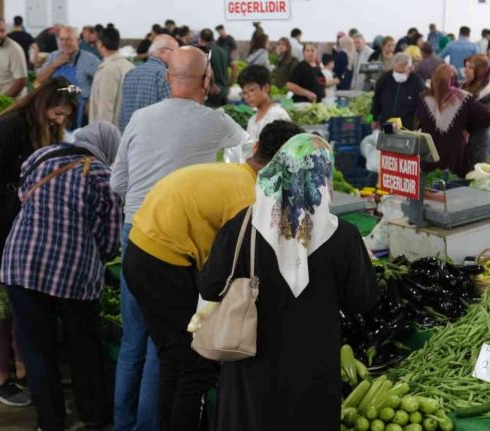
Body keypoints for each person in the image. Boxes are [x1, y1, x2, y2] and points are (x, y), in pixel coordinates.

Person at [123, 120, 303, 431]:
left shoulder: (228, 171)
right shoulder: (248, 197)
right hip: (164, 263)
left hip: (139, 252)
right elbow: (236, 267)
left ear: (257, 147)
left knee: (174, 359)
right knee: (196, 366)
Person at [110, 48, 250, 429]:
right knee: (167, 347)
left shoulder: (140, 118)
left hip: (135, 233)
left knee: (132, 342)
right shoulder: (216, 122)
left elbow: (117, 181)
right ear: (207, 80)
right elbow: (255, 154)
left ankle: (123, 424)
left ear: (168, 78)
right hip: (174, 243)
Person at [202, 133, 379, 431]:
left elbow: (209, 286)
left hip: (251, 365)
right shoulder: (345, 237)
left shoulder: (244, 226)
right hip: (314, 371)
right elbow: (363, 301)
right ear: (324, 176)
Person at [1, 122, 121, 431]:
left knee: (37, 350)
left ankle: (49, 423)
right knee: (84, 348)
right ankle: (94, 415)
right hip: (74, 272)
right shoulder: (104, 176)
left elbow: (23, 193)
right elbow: (110, 241)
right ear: (108, 147)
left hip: (20, 263)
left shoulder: (40, 157)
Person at [0, 78, 78, 408]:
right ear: (42, 104)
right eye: (58, 113)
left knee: (21, 306)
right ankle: (0, 379)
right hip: (2, 229)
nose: (60, 121)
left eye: (66, 116)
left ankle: (22, 371)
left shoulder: (43, 129)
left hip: (26, 227)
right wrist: (20, 200)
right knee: (1, 305)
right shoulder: (10, 127)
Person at [415, 64, 490, 178]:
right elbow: (486, 117)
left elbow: (419, 121)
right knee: (455, 189)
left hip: (430, 155)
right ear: (453, 80)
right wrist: (467, 127)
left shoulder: (423, 98)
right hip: (455, 156)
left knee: (429, 187)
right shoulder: (463, 98)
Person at [36, 26, 100, 128]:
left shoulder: (90, 60)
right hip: (54, 112)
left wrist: (91, 102)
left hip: (79, 112)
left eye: (69, 39)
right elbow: (39, 79)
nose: (64, 43)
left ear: (78, 40)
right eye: (62, 39)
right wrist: (55, 65)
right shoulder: (53, 57)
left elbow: (101, 85)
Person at [119, 34, 177, 132]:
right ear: (162, 51)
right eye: (175, 52)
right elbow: (172, 113)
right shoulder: (164, 75)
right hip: (153, 138)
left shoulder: (131, 73)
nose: (177, 56)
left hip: (129, 136)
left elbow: (123, 112)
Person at [239, 65, 291, 152]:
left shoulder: (278, 116)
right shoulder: (252, 121)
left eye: (251, 90)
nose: (247, 96)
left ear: (265, 88)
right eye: (244, 93)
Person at [89, 27, 134, 126]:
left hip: (110, 132)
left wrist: (102, 134)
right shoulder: (129, 66)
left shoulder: (108, 70)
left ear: (100, 44)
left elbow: (105, 106)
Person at [372, 53, 425, 131]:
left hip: (407, 128)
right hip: (385, 125)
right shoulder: (385, 79)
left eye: (401, 72)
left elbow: (421, 106)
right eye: (396, 72)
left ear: (410, 68)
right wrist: (374, 118)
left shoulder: (417, 83)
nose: (398, 75)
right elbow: (376, 99)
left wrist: (419, 126)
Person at [462, 54, 490, 166]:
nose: (466, 71)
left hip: (477, 144)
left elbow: (485, 120)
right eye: (466, 67)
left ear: (480, 71)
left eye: (470, 68)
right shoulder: (465, 86)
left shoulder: (489, 93)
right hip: (462, 143)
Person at [198, 28, 236, 107]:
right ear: (213, 38)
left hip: (211, 93)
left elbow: (209, 69)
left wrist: (212, 85)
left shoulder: (203, 52)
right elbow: (235, 67)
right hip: (224, 92)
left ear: (201, 39)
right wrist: (229, 84)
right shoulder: (222, 50)